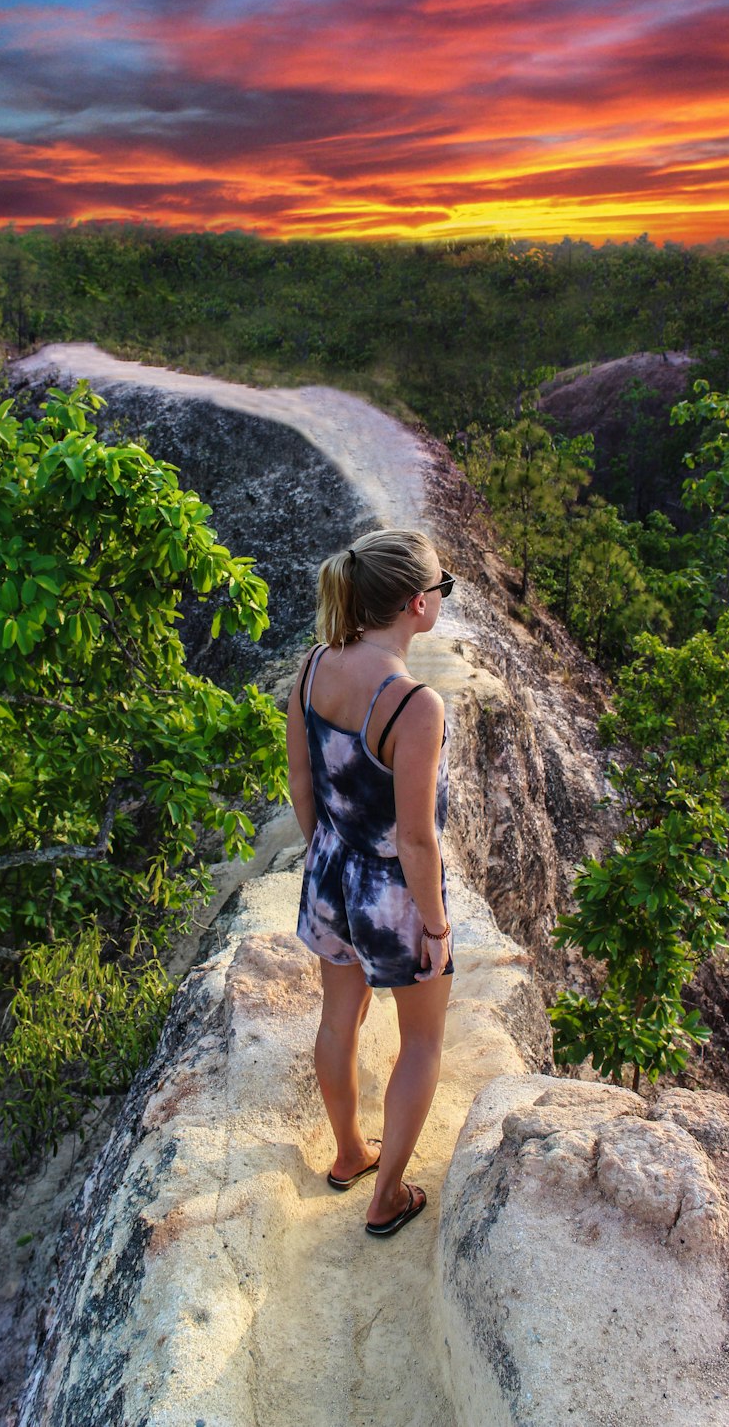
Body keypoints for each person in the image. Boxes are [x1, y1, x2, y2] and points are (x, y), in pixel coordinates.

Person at [286, 528, 455, 1237]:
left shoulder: (314, 666)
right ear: (417, 605)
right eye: (444, 588)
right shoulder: (415, 706)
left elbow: (301, 782)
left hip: (329, 870)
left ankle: (351, 1152)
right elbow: (416, 840)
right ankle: (386, 1198)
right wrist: (438, 929)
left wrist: (328, 856)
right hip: (391, 897)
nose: (443, 598)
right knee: (420, 1044)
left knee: (338, 1017)